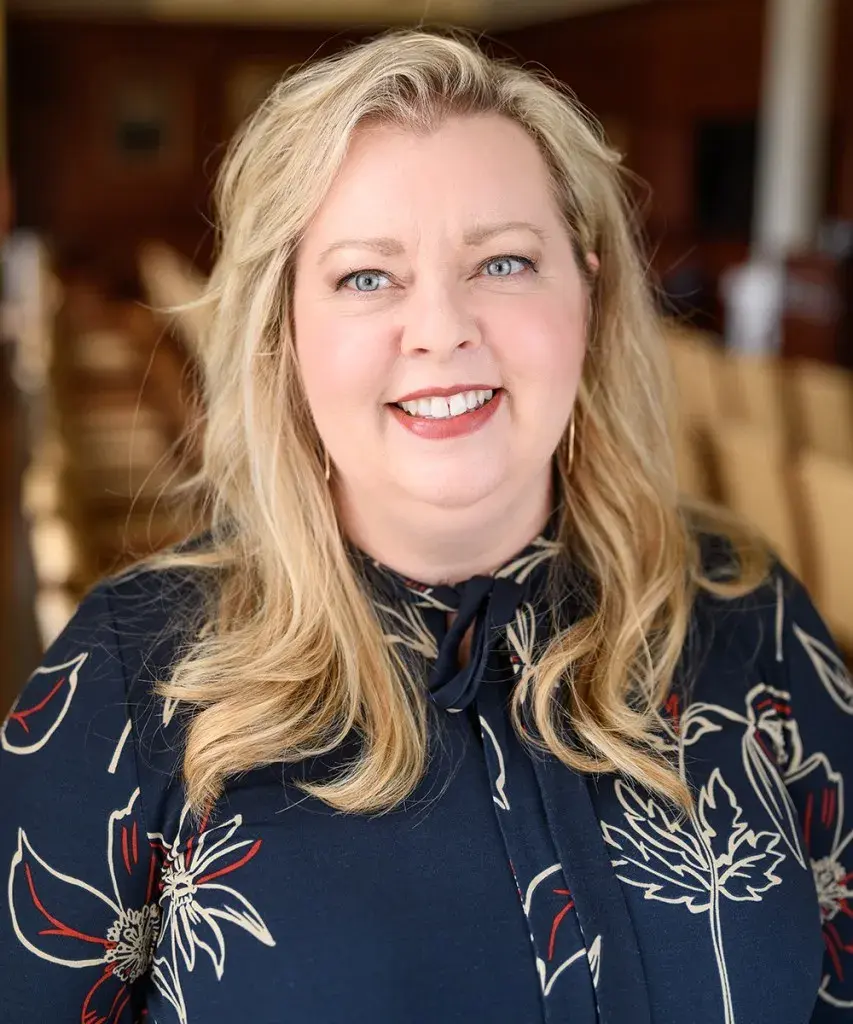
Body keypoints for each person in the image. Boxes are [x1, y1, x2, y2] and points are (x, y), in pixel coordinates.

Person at [1, 28, 850, 1024]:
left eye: (503, 262)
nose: (442, 329)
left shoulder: (748, 613)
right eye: (367, 277)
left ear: (588, 294)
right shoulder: (129, 675)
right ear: (284, 332)